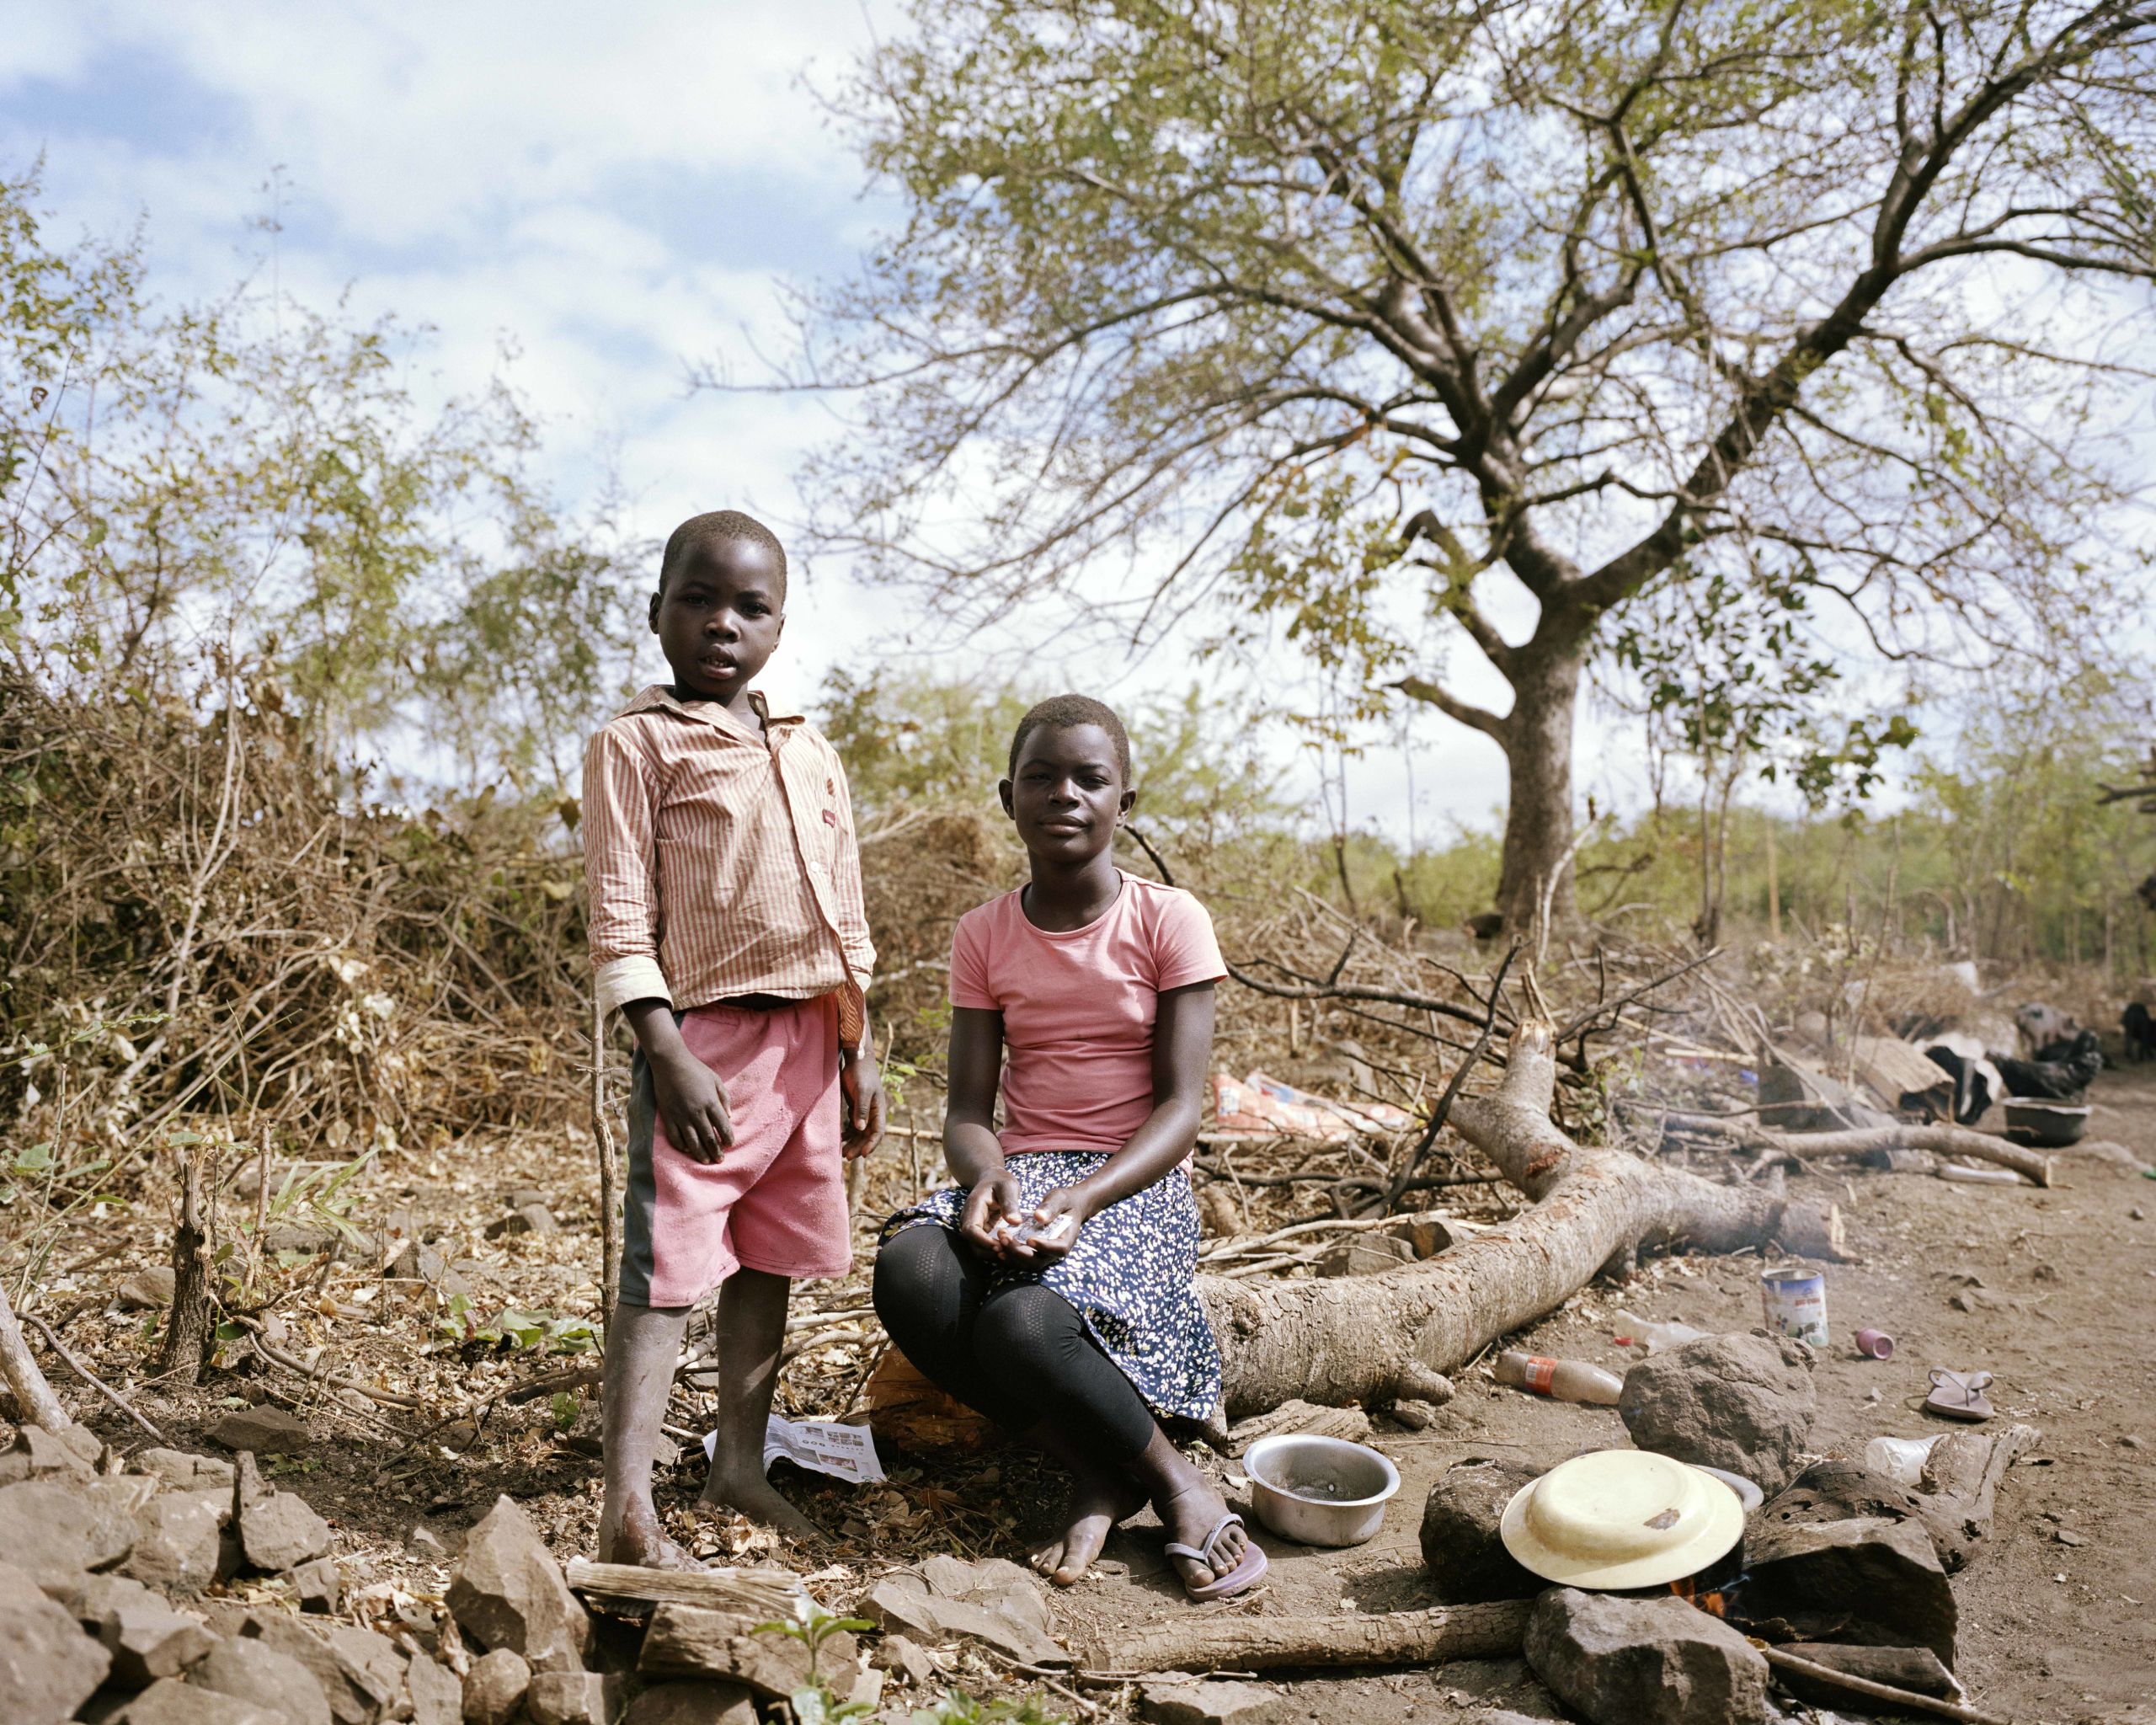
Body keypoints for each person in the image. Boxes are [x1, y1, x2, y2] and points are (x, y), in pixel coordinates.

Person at [871, 696, 1266, 1600]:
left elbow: (1179, 1111)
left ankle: (1174, 1482)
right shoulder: (983, 932)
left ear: (1127, 800)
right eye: (1042, 776)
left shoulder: (1169, 920)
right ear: (1009, 796)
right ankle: (1097, 1468)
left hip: (1134, 1178)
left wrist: (1084, 1197)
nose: (1065, 793)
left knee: (1019, 1320)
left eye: (1091, 777)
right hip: (1026, 1174)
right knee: (912, 1271)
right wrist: (988, 1178)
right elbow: (967, 1110)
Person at [582, 510, 885, 1567]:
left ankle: (739, 1464)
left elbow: (844, 913)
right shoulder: (635, 743)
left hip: (809, 1039)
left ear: (779, 625)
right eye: (698, 599)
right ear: (657, 611)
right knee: (665, 1268)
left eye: (749, 607)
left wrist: (856, 1043)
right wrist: (664, 1049)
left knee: (770, 1255)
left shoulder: (810, 747)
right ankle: (627, 1506)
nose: (722, 623)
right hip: (700, 1045)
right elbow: (620, 915)